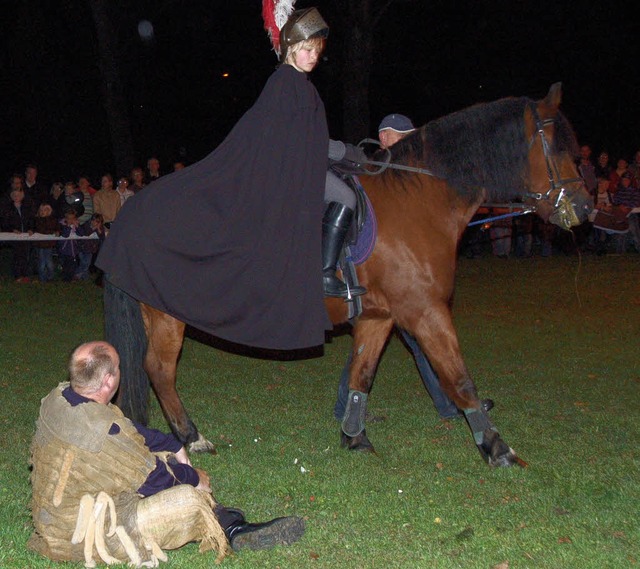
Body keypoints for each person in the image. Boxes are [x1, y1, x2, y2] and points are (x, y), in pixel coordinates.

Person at [97, 7, 345, 351]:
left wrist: (340, 151)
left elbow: (306, 138)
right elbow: (277, 142)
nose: (312, 57)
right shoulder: (284, 84)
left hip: (306, 168)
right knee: (345, 199)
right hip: (290, 177)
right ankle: (325, 276)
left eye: (317, 52)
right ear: (290, 47)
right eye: (306, 48)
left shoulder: (301, 87)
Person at [29, 341, 305, 566]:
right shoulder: (104, 437)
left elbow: (127, 429)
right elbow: (154, 479)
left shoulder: (62, 398)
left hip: (69, 503)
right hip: (84, 530)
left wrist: (172, 443)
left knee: (165, 457)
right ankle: (232, 529)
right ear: (109, 380)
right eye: (119, 367)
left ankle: (224, 516)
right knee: (186, 499)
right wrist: (194, 477)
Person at [333, 114, 493, 421]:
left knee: (390, 340)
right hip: (370, 273)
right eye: (385, 136)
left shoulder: (413, 176)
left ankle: (351, 411)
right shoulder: (373, 170)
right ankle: (451, 405)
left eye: (395, 136)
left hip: (396, 276)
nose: (387, 141)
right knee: (392, 339)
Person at [0, 178, 36, 282]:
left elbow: (31, 220)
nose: (16, 197)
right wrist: (13, 229)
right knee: (17, 256)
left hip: (25, 235)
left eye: (18, 195)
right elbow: (5, 222)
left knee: (26, 255)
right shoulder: (8, 208)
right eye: (14, 195)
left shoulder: (26, 207)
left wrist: (30, 229)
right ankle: (18, 276)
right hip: (15, 236)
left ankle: (25, 275)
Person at [33, 202, 60, 282]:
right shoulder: (36, 220)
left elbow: (57, 228)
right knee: (41, 262)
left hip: (49, 244)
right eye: (41, 210)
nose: (42, 212)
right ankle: (42, 279)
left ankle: (50, 277)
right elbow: (36, 228)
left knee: (49, 262)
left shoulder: (53, 220)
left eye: (44, 210)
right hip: (39, 245)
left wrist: (57, 231)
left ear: (49, 211)